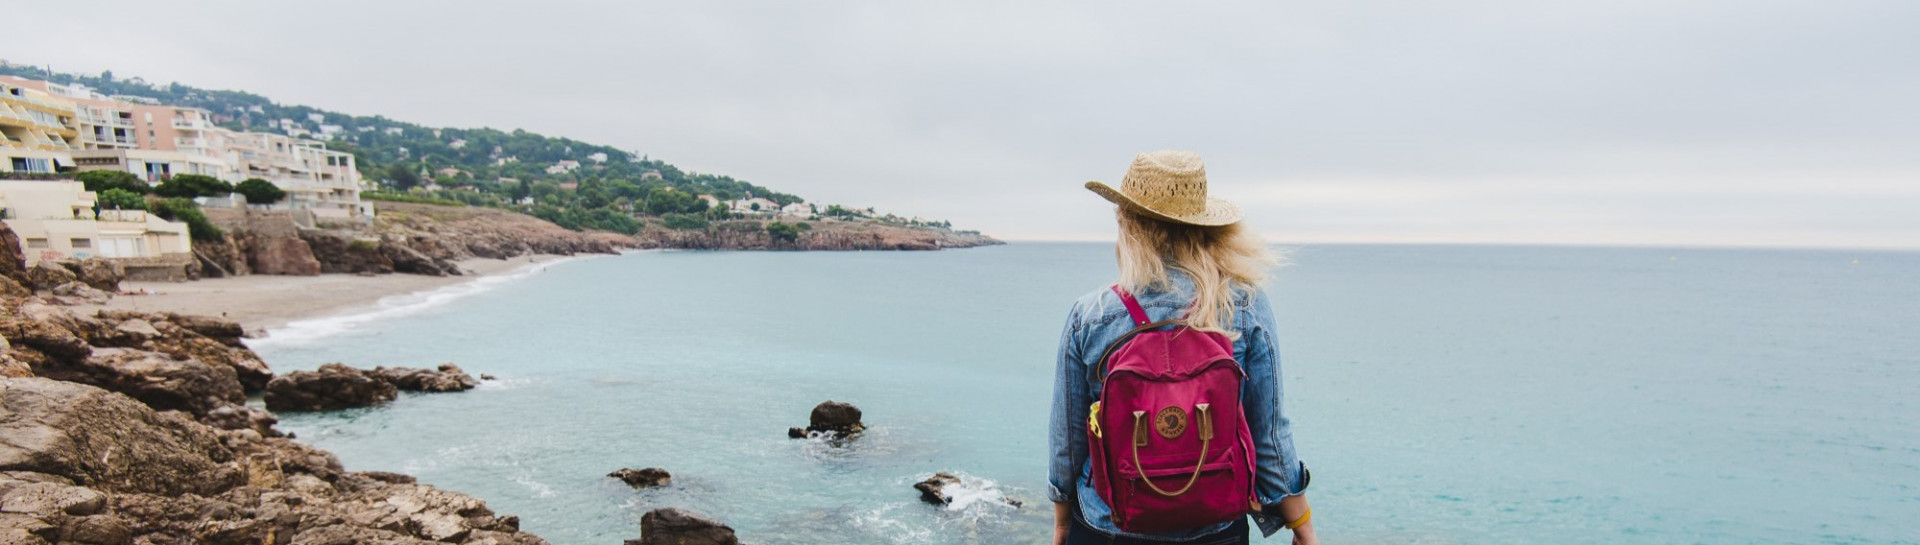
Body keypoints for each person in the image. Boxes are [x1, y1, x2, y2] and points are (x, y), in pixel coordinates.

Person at [1051, 151, 1316, 545]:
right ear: (1205, 228)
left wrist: (1061, 523)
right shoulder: (1243, 305)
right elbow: (1269, 432)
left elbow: (1068, 441)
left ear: (1127, 224)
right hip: (1215, 529)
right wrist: (1302, 524)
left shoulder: (1090, 315)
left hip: (1107, 525)